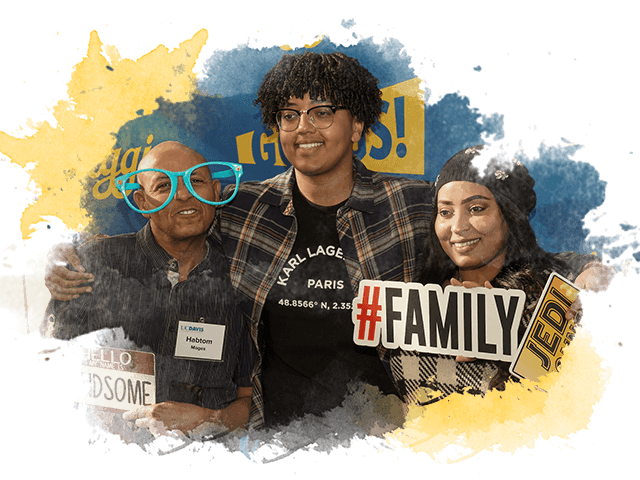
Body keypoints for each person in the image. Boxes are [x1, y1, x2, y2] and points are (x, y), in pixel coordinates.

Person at [44, 52, 614, 449]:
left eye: (322, 112)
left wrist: (584, 269)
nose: (304, 128)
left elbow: (507, 241)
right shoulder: (245, 208)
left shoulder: (412, 203)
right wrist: (70, 251)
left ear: (357, 124)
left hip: (390, 435)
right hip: (272, 437)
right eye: (290, 115)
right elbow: (166, 222)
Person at [40, 141, 256, 448]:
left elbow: (249, 402)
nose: (184, 194)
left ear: (216, 191)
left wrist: (209, 420)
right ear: (142, 202)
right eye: (164, 185)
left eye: (196, 180)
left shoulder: (241, 282)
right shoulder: (92, 265)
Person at [390, 146, 616, 405]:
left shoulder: (553, 292)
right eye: (445, 212)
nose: (458, 226)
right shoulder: (418, 298)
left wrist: (504, 341)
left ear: (510, 216)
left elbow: (565, 402)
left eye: (476, 208)